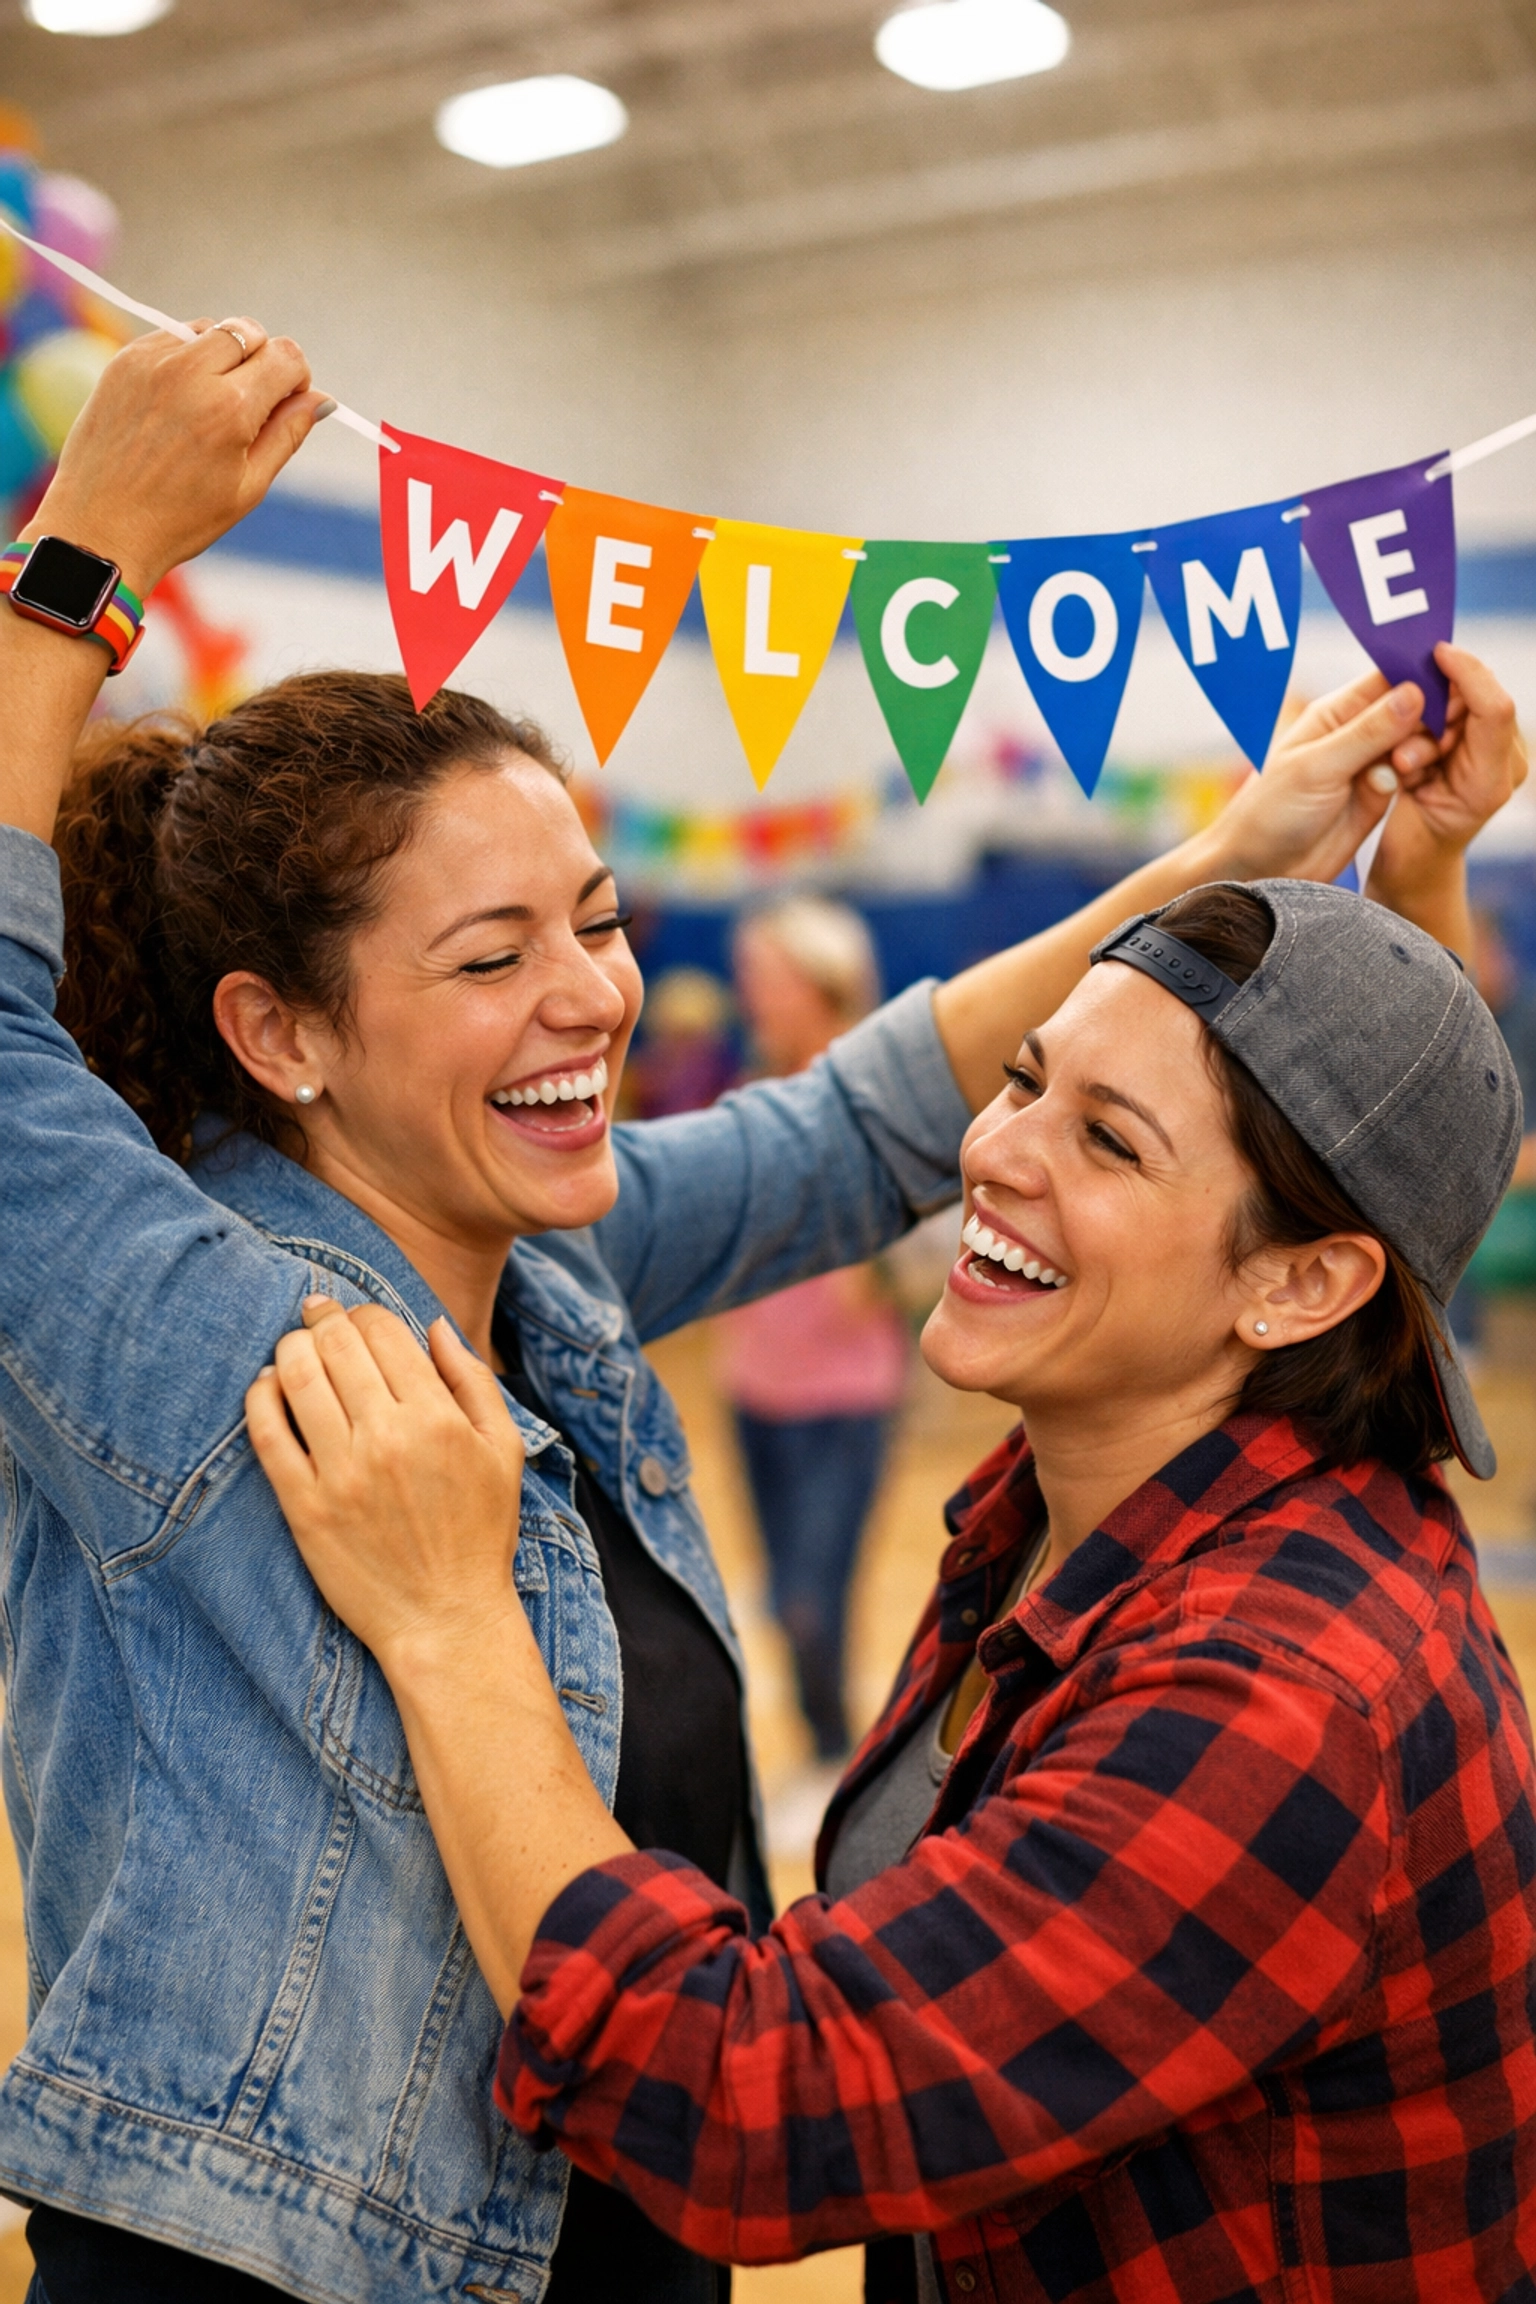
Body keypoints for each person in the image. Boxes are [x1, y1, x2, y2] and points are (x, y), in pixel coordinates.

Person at [0, 317, 1518, 2304]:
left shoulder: (548, 1272)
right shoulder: (241, 1343)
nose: (599, 998)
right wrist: (75, 563)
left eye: (604, 920)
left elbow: (866, 1121)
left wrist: (1219, 865)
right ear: (279, 1033)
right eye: (494, 954)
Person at [256, 866, 1536, 2304]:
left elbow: (753, 2101)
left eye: (1108, 1142)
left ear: (1301, 1286)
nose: (998, 1152)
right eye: (1025, 1079)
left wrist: (449, 1619)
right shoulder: (1059, 1520)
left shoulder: (1288, 1693)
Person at [718, 896, 909, 1764]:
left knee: (809, 1597)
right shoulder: (754, 1094)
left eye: (765, 975)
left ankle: (836, 1754)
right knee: (780, 1593)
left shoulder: (875, 1094)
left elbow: (929, 1240)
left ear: (820, 982)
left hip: (845, 1396)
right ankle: (817, 1740)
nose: (749, 993)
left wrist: (875, 1272)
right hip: (755, 1390)